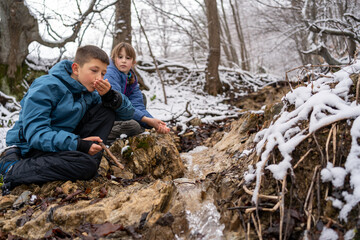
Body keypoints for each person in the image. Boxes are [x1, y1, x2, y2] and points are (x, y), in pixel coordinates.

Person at [0, 45, 134, 194]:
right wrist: (77, 143)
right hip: (29, 149)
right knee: (85, 166)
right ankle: (13, 169)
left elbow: (127, 114)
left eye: (103, 73)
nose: (99, 78)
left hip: (60, 144)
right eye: (94, 71)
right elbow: (36, 135)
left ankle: (84, 163)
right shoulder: (46, 86)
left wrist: (110, 96)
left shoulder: (88, 92)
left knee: (107, 110)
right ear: (76, 69)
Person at [104, 42, 170, 143]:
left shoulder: (131, 77)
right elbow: (118, 103)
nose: (123, 61)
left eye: (128, 58)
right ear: (113, 58)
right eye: (120, 57)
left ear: (133, 62)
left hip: (122, 113)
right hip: (106, 116)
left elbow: (138, 105)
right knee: (134, 126)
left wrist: (154, 123)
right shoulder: (110, 74)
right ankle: (104, 135)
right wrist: (147, 120)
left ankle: (136, 127)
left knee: (142, 98)